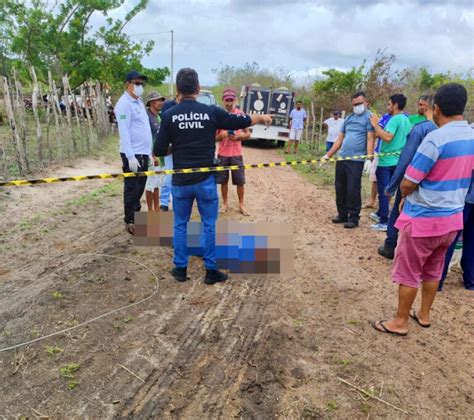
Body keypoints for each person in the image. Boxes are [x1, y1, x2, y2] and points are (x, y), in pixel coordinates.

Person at [371, 83, 474, 336]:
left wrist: (405, 193)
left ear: (436, 108)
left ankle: (400, 321)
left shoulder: (435, 139)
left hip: (424, 220)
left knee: (409, 271)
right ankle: (424, 315)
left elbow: (409, 182)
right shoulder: (471, 136)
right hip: (453, 220)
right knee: (433, 269)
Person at [154, 68, 272, 285]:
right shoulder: (211, 111)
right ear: (198, 89)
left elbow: (159, 150)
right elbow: (240, 121)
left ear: (178, 90)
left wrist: (178, 146)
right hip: (206, 180)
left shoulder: (169, 115)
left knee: (180, 223)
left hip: (181, 181)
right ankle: (211, 271)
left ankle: (180, 269)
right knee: (209, 224)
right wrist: (261, 117)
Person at [378, 97, 436, 259]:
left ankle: (391, 245)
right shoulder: (454, 133)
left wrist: (392, 186)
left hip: (412, 181)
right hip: (437, 188)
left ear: (433, 107)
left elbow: (405, 160)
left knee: (398, 210)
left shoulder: (421, 129)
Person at [323, 91, 375, 228]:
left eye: (359, 103)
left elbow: (370, 139)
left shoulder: (370, 118)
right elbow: (339, 139)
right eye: (354, 104)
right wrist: (328, 155)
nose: (356, 106)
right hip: (342, 158)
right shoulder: (349, 118)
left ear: (366, 102)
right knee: (340, 187)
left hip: (356, 160)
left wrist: (369, 158)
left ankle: (353, 217)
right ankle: (342, 214)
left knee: (353, 189)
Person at [114, 70, 152, 235]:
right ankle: (130, 220)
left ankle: (137, 216)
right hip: (133, 154)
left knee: (140, 187)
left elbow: (143, 128)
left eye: (141, 84)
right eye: (137, 83)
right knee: (132, 188)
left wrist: (149, 153)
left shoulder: (139, 102)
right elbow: (124, 131)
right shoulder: (123, 104)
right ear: (128, 84)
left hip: (143, 153)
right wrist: (130, 156)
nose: (140, 86)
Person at [369, 94, 411, 231]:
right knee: (390, 190)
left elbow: (387, 137)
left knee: (384, 190)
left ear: (395, 105)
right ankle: (383, 214)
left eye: (389, 104)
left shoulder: (394, 120)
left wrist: (375, 125)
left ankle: (384, 221)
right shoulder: (406, 120)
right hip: (398, 160)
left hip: (386, 162)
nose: (388, 107)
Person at [215, 88, 251, 216]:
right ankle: (225, 204)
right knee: (223, 181)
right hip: (223, 154)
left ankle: (241, 204)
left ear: (235, 100)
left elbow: (248, 134)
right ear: (223, 100)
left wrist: (239, 137)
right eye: (227, 100)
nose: (229, 103)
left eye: (231, 100)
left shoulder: (240, 114)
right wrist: (222, 135)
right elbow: (213, 138)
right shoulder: (218, 115)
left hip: (236, 154)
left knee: (240, 181)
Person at [439, 171, 474, 291]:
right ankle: (470, 280)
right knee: (471, 241)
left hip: (463, 196)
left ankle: (438, 279)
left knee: (449, 239)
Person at [144, 92, 167, 212]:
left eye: (161, 100)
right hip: (150, 155)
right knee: (150, 184)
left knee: (158, 183)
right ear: (151, 102)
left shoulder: (158, 116)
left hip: (159, 155)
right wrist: (152, 154)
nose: (160, 103)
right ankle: (150, 210)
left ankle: (157, 208)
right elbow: (145, 137)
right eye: (158, 100)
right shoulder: (146, 116)